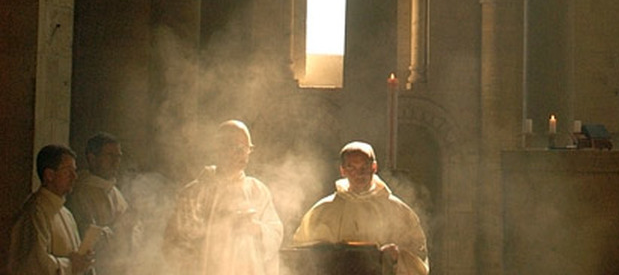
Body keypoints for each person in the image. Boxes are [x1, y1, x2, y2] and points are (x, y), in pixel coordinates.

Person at [163, 119, 283, 275]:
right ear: (219, 150)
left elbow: (275, 232)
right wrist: (218, 228)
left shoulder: (257, 191)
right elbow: (173, 243)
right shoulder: (195, 192)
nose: (242, 154)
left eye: (246, 148)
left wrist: (256, 228)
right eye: (236, 148)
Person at [293, 141, 429, 275]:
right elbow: (300, 256)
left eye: (364, 167)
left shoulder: (398, 211)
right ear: (342, 170)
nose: (359, 173)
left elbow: (419, 256)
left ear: (374, 167)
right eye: (351, 167)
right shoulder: (322, 211)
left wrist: (397, 256)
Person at [8, 144, 96, 275]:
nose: (74, 177)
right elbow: (32, 264)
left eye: (75, 171)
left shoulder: (66, 214)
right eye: (68, 171)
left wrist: (84, 261)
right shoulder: (35, 211)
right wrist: (70, 265)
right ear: (49, 175)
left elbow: (76, 260)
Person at [66, 132, 137, 275]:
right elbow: (86, 236)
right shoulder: (81, 192)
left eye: (118, 156)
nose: (116, 162)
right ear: (92, 158)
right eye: (110, 156)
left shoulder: (115, 192)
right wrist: (121, 229)